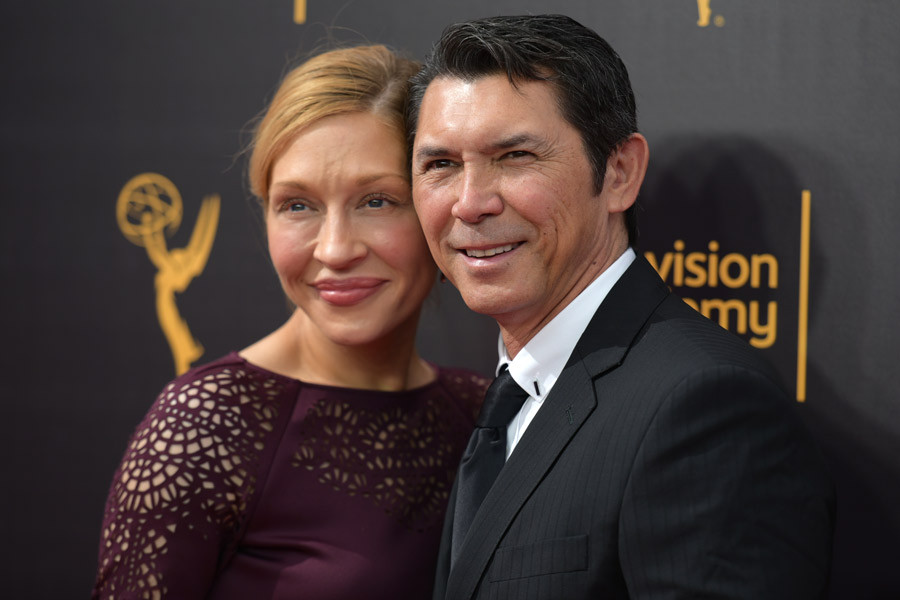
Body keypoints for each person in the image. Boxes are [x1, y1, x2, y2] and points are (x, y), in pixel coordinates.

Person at [408, 14, 835, 600]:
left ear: (619, 172)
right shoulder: (514, 388)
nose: (469, 203)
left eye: (514, 156)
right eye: (441, 165)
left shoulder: (703, 408)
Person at [93, 44, 489, 600]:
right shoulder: (206, 427)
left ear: (439, 206)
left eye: (377, 201)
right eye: (297, 206)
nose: (335, 248)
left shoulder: (485, 414)